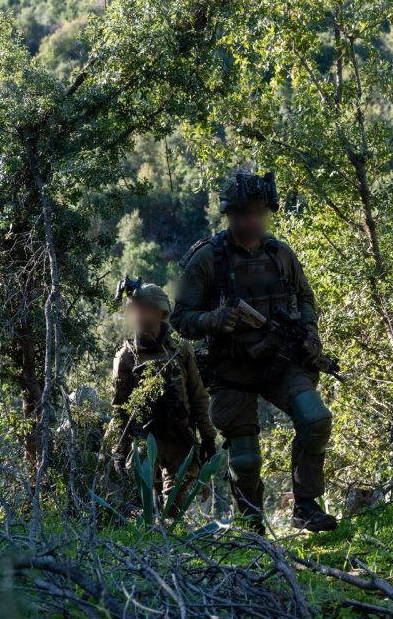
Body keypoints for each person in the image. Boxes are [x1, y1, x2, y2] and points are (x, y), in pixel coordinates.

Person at [171, 169, 338, 533]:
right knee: (245, 457)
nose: (253, 221)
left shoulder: (280, 254)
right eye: (244, 213)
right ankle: (251, 526)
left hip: (282, 359)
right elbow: (180, 318)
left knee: (315, 419)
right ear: (230, 214)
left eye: (259, 213)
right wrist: (213, 319)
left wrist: (310, 332)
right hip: (232, 367)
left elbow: (305, 298)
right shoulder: (208, 259)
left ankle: (306, 506)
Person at [108, 282, 218, 517]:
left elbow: (198, 396)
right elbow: (120, 409)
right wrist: (119, 450)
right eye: (135, 309)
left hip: (180, 437)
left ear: (160, 311)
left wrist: (208, 437)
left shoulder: (180, 350)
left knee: (175, 505)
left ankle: (169, 532)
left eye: (144, 308)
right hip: (145, 439)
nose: (139, 314)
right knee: (142, 498)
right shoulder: (126, 357)